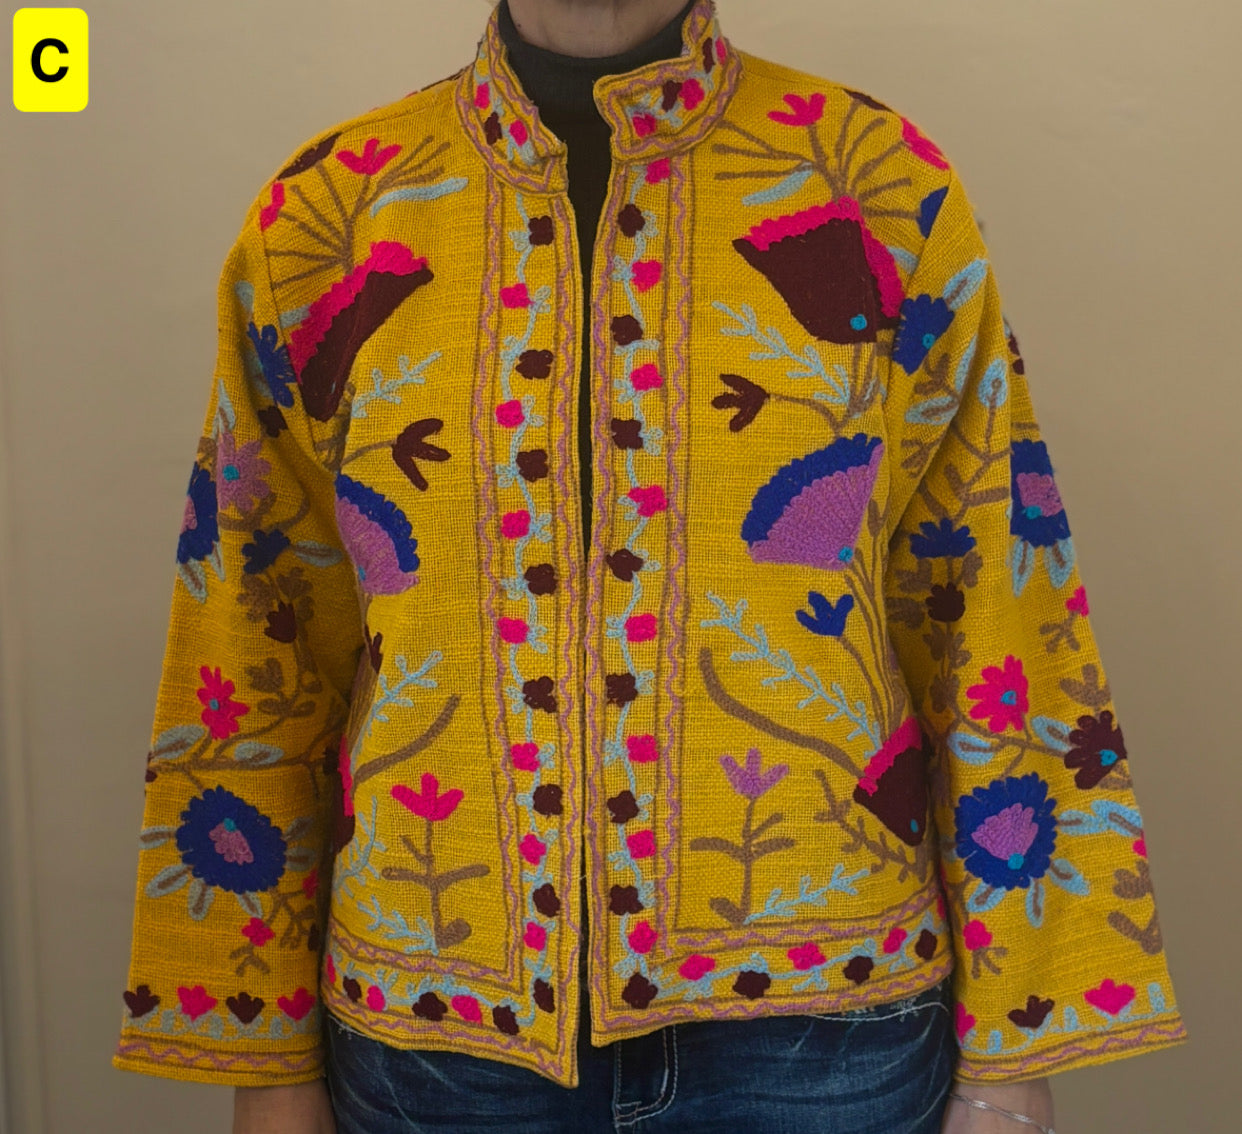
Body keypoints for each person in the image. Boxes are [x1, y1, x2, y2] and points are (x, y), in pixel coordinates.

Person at [113, 1, 1188, 1131]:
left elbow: (990, 596)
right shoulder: (330, 212)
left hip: (826, 1034)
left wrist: (1015, 1045)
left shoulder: (870, 179)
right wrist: (267, 1060)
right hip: (438, 1038)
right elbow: (254, 628)